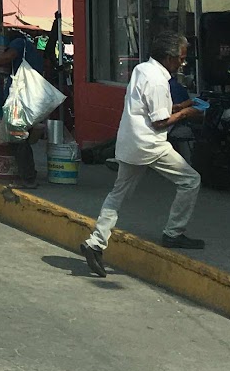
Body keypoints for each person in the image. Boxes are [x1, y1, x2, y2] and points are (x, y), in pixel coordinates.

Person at [80, 31, 203, 278]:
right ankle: (173, 232)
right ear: (169, 57)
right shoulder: (158, 81)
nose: (182, 63)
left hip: (130, 142)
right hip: (150, 144)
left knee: (117, 194)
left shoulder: (142, 69)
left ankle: (95, 242)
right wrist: (186, 114)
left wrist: (178, 107)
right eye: (181, 58)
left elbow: (147, 107)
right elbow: (159, 121)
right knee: (190, 180)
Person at [0, 32, 47, 185]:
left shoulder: (19, 43)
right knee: (20, 137)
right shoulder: (30, 51)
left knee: (17, 137)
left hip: (22, 99)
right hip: (28, 98)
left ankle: (28, 178)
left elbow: (8, 56)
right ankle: (27, 173)